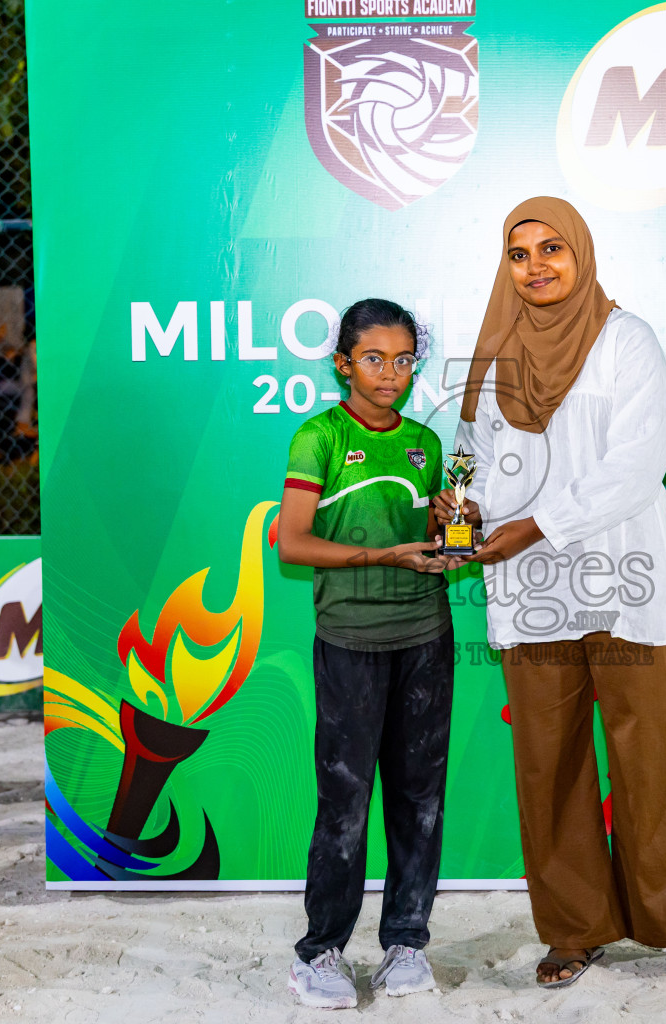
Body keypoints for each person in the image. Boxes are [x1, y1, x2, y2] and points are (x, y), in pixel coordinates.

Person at [439, 197, 666, 986]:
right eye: (519, 253)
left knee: (647, 764)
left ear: (582, 254)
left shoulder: (627, 341)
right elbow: (472, 458)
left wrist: (533, 524)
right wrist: (462, 508)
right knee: (548, 764)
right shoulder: (492, 355)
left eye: (551, 249)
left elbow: (635, 468)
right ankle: (572, 929)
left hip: (624, 585)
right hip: (531, 596)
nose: (536, 267)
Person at [276, 299, 457, 1009]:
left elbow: (430, 539)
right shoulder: (317, 436)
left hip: (426, 638)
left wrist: (446, 525)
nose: (391, 373)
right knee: (345, 804)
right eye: (375, 359)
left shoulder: (424, 441)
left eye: (405, 359)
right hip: (349, 640)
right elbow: (293, 542)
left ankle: (406, 945)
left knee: (420, 800)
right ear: (343, 364)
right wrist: (383, 554)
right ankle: (320, 952)